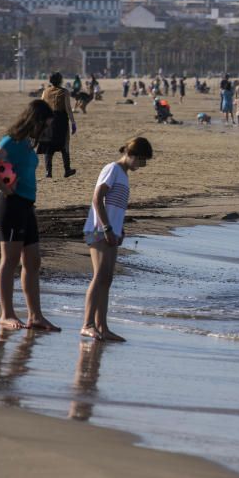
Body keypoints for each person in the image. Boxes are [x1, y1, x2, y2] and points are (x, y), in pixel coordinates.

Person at [0, 99, 61, 331]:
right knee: (9, 261)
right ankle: (6, 314)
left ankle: (35, 316)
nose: (47, 129)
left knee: (32, 261)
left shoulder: (28, 142)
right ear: (36, 121)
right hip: (11, 206)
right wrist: (5, 188)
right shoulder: (13, 140)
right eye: (46, 124)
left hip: (26, 206)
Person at [81, 137, 153, 341]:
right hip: (98, 229)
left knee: (107, 279)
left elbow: (116, 207)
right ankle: (87, 324)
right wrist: (106, 227)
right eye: (141, 160)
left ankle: (102, 327)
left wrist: (119, 230)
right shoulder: (112, 169)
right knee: (100, 275)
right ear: (132, 155)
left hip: (112, 231)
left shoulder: (124, 175)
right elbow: (97, 198)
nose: (143, 165)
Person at [40, 72, 77, 178]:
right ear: (60, 80)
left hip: (47, 121)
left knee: (48, 147)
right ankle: (67, 170)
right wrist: (73, 122)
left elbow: (41, 107)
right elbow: (68, 108)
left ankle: (48, 172)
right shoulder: (64, 92)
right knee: (64, 145)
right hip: (61, 121)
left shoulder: (45, 92)